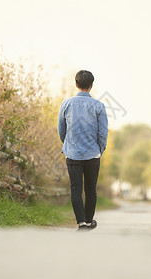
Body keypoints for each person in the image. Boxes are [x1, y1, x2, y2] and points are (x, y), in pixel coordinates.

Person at [57, 70, 108, 231]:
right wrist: (100, 149)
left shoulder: (66, 104)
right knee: (91, 189)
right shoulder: (99, 106)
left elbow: (61, 129)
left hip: (72, 154)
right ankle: (88, 220)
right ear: (91, 86)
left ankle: (81, 223)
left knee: (75, 189)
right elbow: (103, 132)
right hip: (93, 154)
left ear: (76, 84)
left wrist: (68, 144)